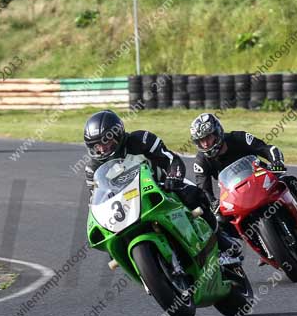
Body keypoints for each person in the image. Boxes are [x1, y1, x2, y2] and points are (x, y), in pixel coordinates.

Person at [83, 110, 241, 266]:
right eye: (96, 145)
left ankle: (223, 244)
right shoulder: (92, 168)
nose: (102, 149)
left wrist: (173, 177)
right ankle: (147, 273)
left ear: (117, 135)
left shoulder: (141, 140)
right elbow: (96, 202)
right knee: (116, 242)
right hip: (126, 205)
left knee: (195, 195)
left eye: (105, 142)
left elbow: (172, 160)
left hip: (161, 187)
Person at [190, 112, 297, 236]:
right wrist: (213, 203)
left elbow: (267, 149)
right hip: (234, 194)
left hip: (262, 179)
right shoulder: (201, 161)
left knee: (289, 181)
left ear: (217, 132)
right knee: (220, 220)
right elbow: (203, 188)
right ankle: (255, 242)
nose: (206, 143)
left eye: (208, 137)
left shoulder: (238, 137)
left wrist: (276, 161)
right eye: (201, 141)